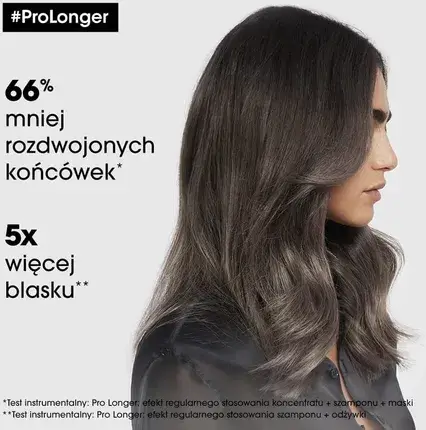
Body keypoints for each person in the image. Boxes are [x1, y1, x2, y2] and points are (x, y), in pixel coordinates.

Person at [130, 5, 416, 429]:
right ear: (290, 136)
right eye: (365, 126)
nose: (389, 157)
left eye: (384, 126)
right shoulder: (189, 363)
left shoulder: (357, 329)